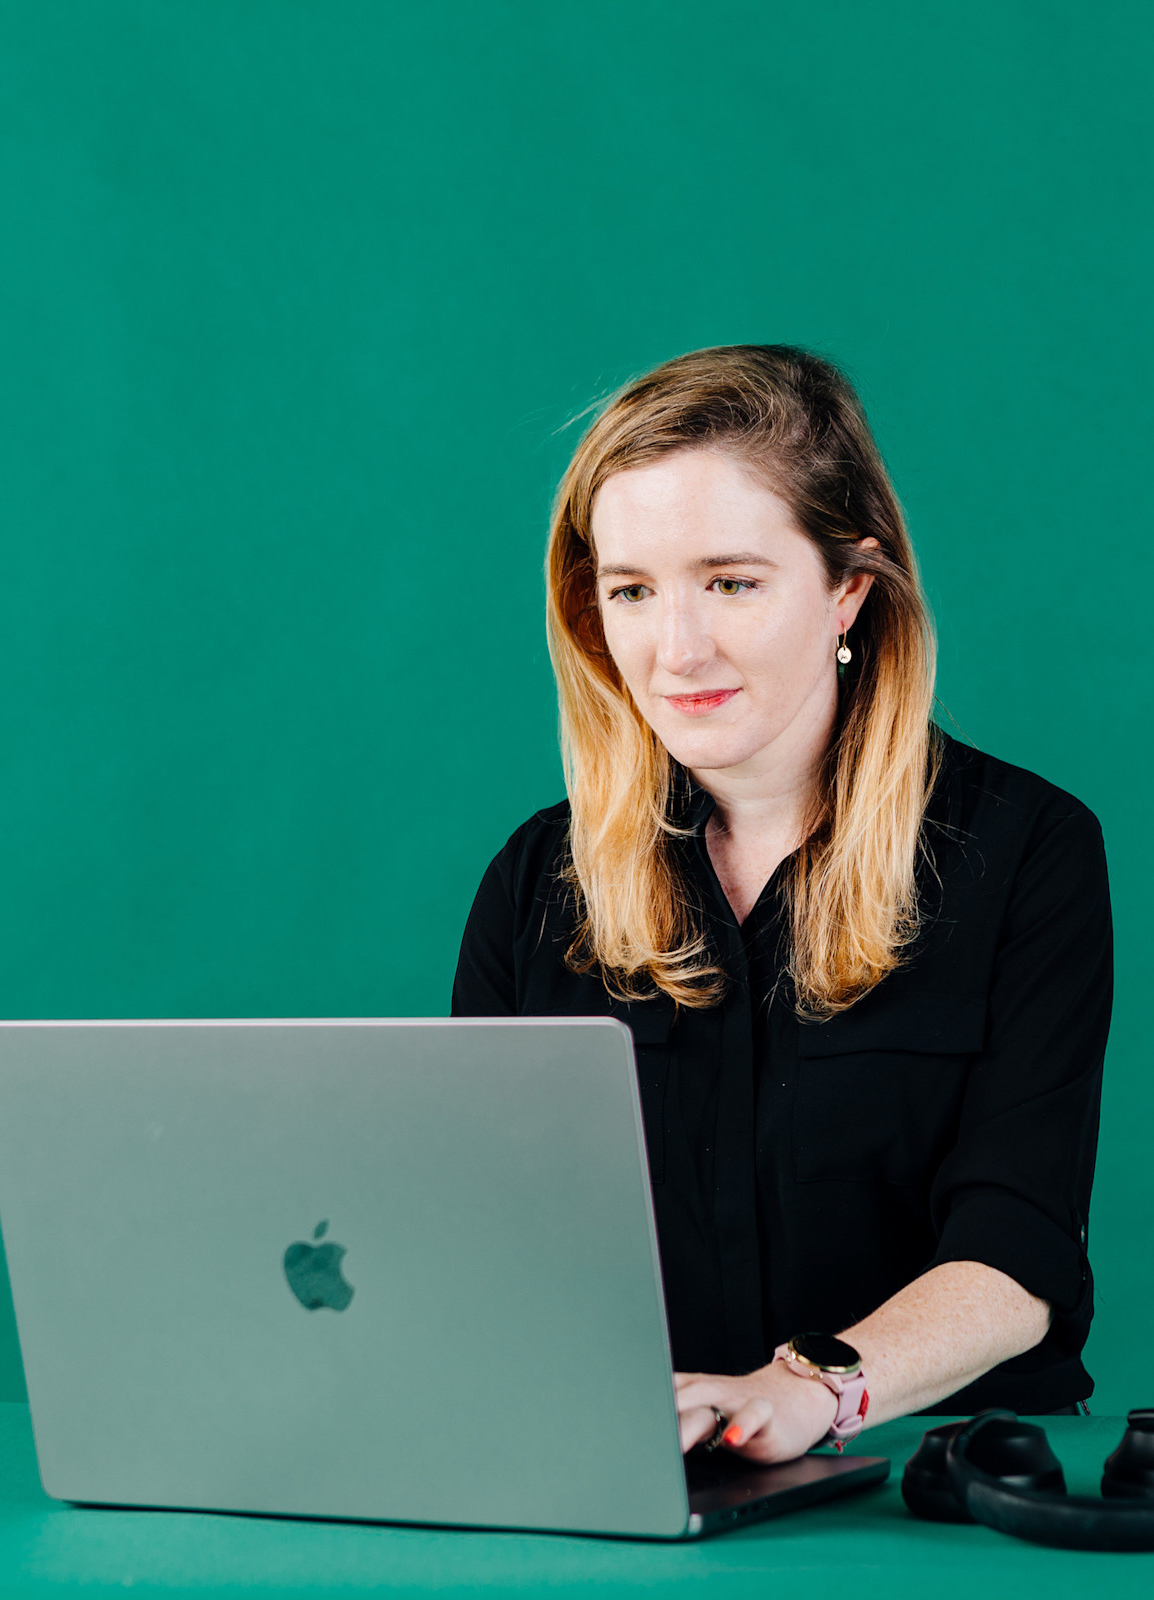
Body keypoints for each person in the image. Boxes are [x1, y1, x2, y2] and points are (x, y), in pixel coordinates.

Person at [452, 346, 1112, 1464]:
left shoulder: (1027, 852)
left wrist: (808, 1390)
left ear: (850, 584)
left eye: (732, 582)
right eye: (633, 590)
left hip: (938, 1481)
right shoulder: (533, 882)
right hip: (638, 1483)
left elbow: (1020, 1251)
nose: (677, 649)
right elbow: (480, 1240)